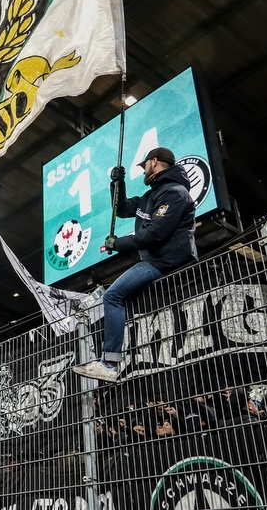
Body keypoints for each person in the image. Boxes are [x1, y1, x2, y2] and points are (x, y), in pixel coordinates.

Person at [73, 147, 197, 382]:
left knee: (112, 297)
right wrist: (117, 185)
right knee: (115, 296)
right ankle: (109, 361)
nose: (143, 169)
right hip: (156, 261)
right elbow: (121, 209)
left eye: (145, 165)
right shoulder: (152, 196)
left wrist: (118, 243)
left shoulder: (174, 193)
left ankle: (109, 363)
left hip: (166, 262)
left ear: (155, 162)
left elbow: (154, 235)